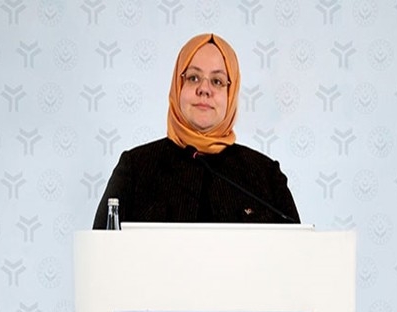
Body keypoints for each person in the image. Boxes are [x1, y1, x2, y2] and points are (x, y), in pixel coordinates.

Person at [93, 33, 300, 227]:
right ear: (178, 86)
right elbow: (100, 248)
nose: (204, 89)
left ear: (231, 93)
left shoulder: (265, 175)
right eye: (193, 78)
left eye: (217, 81)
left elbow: (297, 250)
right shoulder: (136, 168)